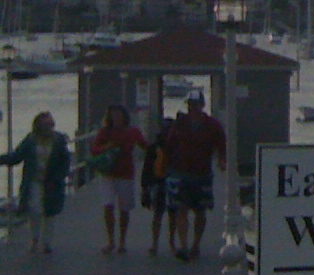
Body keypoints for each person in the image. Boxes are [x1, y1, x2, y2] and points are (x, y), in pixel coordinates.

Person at [165, 89, 226, 261]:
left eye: (196, 105)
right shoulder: (179, 124)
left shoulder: (213, 125)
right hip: (181, 172)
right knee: (181, 209)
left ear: (203, 105)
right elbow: (169, 144)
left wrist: (222, 160)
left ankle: (196, 244)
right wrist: (167, 167)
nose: (193, 108)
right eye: (191, 105)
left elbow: (222, 144)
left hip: (202, 173)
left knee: (200, 211)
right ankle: (184, 246)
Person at [0, 110, 72, 254]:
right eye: (45, 124)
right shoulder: (31, 140)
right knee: (34, 209)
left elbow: (65, 161)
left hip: (52, 182)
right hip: (34, 180)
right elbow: (17, 156)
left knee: (50, 212)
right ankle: (34, 238)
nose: (48, 127)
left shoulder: (58, 140)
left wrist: (59, 177)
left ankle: (47, 242)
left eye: (50, 123)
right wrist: (2, 159)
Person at [89, 103, 148, 255]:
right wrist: (106, 147)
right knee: (108, 205)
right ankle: (111, 241)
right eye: (113, 114)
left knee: (124, 209)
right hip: (107, 174)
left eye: (118, 114)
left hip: (125, 174)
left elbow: (145, 146)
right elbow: (94, 149)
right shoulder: (104, 132)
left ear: (124, 116)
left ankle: (122, 241)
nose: (116, 117)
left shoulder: (133, 131)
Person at [140, 115, 176, 255]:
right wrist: (145, 187)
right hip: (158, 182)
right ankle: (156, 243)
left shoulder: (177, 146)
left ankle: (171, 242)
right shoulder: (154, 148)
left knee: (172, 213)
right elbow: (147, 168)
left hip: (172, 181)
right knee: (159, 213)